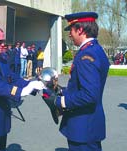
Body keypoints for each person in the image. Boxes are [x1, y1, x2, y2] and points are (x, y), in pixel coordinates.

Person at [42, 12, 110, 151]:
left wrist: (59, 102)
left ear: (80, 30)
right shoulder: (96, 49)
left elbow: (89, 94)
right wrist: (61, 90)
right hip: (88, 125)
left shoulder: (87, 55)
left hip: (83, 127)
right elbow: (83, 87)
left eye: (71, 30)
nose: (69, 34)